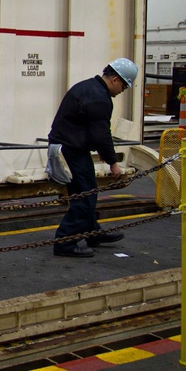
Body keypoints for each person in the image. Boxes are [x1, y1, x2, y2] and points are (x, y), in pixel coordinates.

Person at [48, 58, 137, 257]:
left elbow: (93, 131)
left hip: (68, 148)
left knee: (87, 192)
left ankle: (91, 233)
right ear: (115, 79)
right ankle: (65, 242)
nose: (122, 90)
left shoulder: (88, 87)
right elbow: (101, 133)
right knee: (85, 196)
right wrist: (113, 162)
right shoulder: (99, 97)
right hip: (71, 150)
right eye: (123, 86)